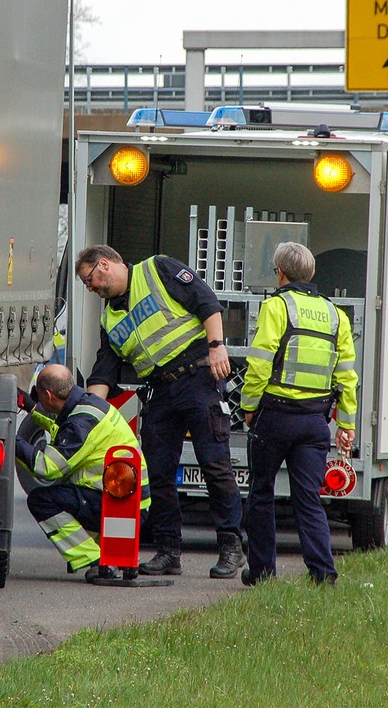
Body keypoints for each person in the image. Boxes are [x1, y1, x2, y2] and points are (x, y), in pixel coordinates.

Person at [75, 244, 246, 579]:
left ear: (105, 265)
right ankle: (169, 551)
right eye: (86, 285)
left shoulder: (157, 269)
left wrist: (216, 347)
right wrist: (87, 415)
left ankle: (231, 546)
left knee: (215, 464)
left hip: (197, 378)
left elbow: (206, 302)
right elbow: (105, 370)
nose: (90, 288)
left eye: (90, 280)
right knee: (158, 473)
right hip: (161, 391)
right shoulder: (110, 316)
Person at [239, 242, 358, 586]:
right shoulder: (337, 315)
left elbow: (259, 364)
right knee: (308, 499)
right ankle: (323, 574)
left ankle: (263, 573)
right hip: (315, 423)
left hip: (275, 417)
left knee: (261, 492)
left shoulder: (276, 306)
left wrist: (249, 407)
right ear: (312, 274)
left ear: (280, 273)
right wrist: (346, 425)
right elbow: (347, 377)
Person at [16, 363, 150, 582]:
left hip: (120, 510)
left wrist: (11, 441)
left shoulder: (80, 423)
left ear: (49, 395)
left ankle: (94, 560)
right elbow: (61, 428)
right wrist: (33, 408)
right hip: (127, 503)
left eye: (38, 396)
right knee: (63, 494)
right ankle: (102, 553)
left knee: (42, 500)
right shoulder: (87, 405)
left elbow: (46, 468)